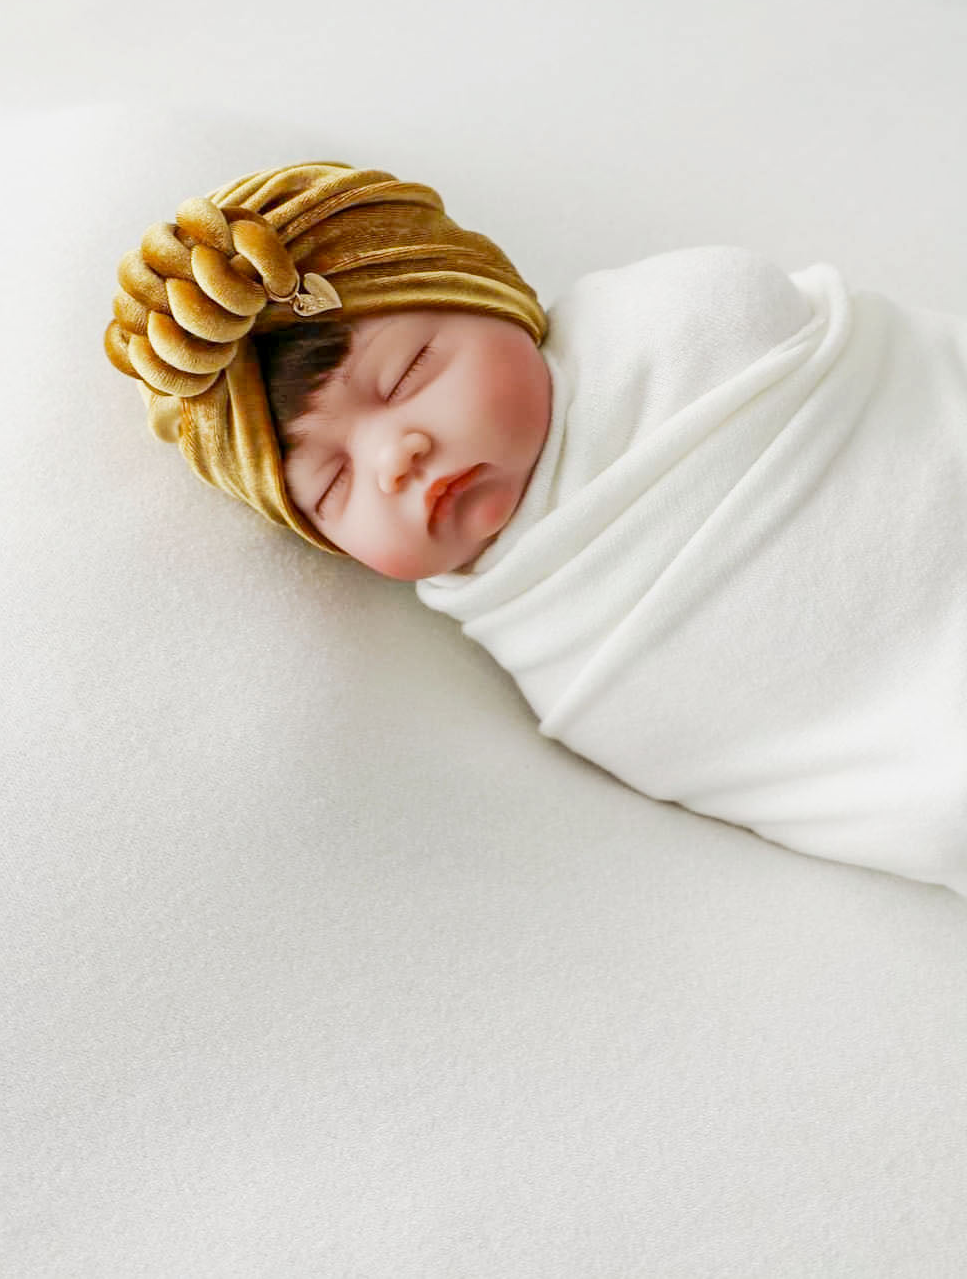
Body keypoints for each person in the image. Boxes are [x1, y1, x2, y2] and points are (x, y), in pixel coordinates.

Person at [104, 161, 967, 897]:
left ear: (498, 303)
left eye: (409, 372)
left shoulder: (683, 327)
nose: (394, 457)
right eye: (333, 484)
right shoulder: (542, 631)